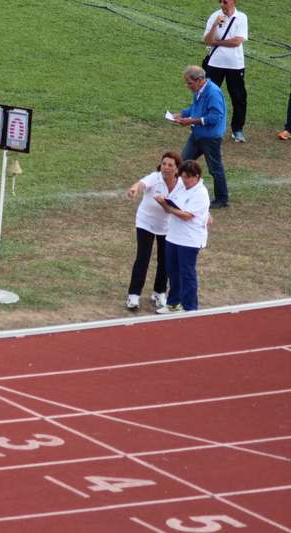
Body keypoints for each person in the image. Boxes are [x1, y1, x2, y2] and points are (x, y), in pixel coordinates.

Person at [125, 151, 183, 310]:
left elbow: (189, 203)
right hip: (146, 222)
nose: (166, 167)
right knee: (143, 257)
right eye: (164, 164)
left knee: (165, 260)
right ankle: (134, 295)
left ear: (177, 169)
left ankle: (159, 292)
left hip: (167, 226)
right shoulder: (155, 177)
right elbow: (142, 184)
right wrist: (134, 188)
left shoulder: (181, 185)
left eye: (170, 165)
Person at [155, 160, 211, 314]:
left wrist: (169, 207)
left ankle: (190, 307)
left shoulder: (200, 193)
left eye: (187, 177)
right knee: (172, 270)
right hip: (173, 236)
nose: (183, 180)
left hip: (190, 239)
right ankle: (173, 303)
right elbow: (171, 207)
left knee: (186, 272)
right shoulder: (181, 187)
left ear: (196, 177)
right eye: (182, 176)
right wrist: (164, 203)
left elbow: (187, 216)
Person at [172, 65, 229, 210]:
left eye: (190, 83)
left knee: (215, 169)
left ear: (199, 80)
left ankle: (222, 198)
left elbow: (215, 117)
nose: (188, 87)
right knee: (181, 163)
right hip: (197, 135)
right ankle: (176, 192)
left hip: (210, 138)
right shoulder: (199, 90)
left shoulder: (213, 93)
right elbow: (196, 108)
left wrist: (190, 121)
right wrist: (182, 114)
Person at [203, 0, 248, 143]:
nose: (222, 5)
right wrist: (215, 24)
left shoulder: (241, 18)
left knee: (238, 97)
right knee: (208, 95)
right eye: (220, 1)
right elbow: (208, 41)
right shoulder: (214, 16)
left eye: (225, 2)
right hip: (215, 63)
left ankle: (237, 129)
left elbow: (236, 42)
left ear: (234, 2)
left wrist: (216, 42)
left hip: (235, 64)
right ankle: (207, 126)